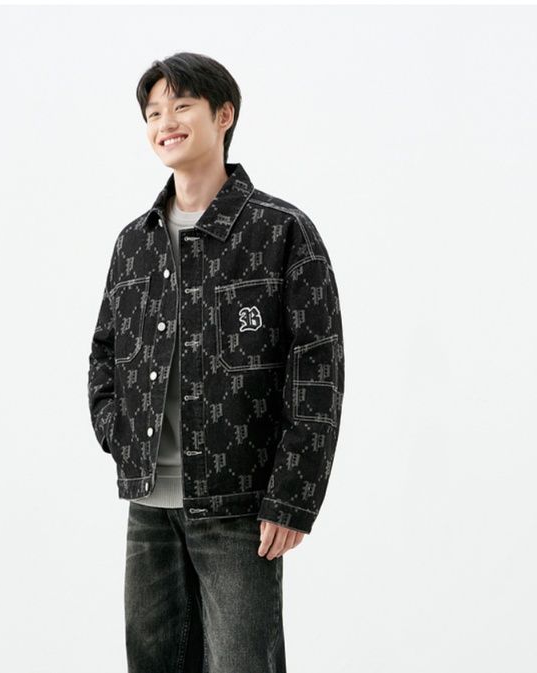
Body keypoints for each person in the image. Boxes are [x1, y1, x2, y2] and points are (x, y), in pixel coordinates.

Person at [88, 52, 345, 673]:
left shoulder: (281, 231)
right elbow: (105, 354)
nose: (165, 123)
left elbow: (317, 370)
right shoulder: (135, 242)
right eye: (154, 113)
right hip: (149, 506)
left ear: (223, 115)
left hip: (240, 506)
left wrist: (292, 495)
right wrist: (120, 436)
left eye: (181, 106)